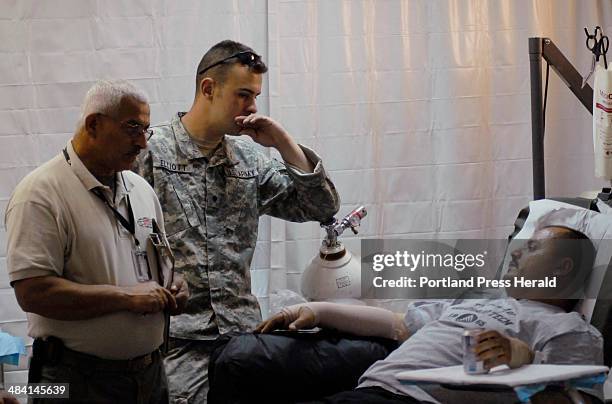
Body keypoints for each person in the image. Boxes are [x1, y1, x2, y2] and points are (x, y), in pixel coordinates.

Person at [133, 39, 340, 402]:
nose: (252, 107)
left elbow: (322, 207)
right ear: (208, 89)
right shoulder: (150, 154)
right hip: (178, 343)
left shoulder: (248, 159)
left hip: (243, 338)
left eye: (255, 96)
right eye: (243, 95)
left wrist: (283, 143)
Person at [256, 226, 604, 404]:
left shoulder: (568, 329)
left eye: (530, 247)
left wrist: (523, 361)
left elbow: (576, 401)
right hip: (370, 391)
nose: (513, 254)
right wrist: (314, 311)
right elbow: (396, 324)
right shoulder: (478, 302)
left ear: (563, 265)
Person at [5, 80, 189, 403]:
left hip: (149, 376)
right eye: (133, 128)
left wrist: (176, 285)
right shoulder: (40, 194)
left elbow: (160, 263)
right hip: (74, 382)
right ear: (93, 124)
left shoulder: (140, 189)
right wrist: (126, 299)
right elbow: (33, 292)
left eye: (146, 129)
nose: (143, 143)